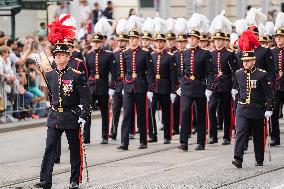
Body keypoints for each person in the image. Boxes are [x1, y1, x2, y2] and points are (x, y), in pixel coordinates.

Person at [34, 16, 91, 189]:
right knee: (49, 148)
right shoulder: (50, 74)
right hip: (54, 116)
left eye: (61, 55)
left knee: (74, 150)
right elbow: (51, 94)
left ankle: (74, 180)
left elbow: (86, 96)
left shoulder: (76, 74)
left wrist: (84, 114)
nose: (58, 58)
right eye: (56, 55)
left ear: (68, 57)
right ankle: (45, 180)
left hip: (71, 115)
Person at [231, 29, 273, 168]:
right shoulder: (238, 74)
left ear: (254, 61)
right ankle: (238, 158)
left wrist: (269, 107)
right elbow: (236, 86)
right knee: (241, 132)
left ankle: (259, 159)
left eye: (248, 61)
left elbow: (268, 93)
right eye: (244, 61)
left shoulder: (261, 75)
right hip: (242, 108)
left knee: (258, 136)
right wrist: (234, 92)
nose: (245, 63)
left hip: (257, 109)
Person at [117, 15, 154, 151]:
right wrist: (122, 86)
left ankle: (143, 140)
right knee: (126, 114)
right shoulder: (125, 53)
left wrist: (150, 88)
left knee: (141, 114)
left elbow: (150, 73)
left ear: (138, 39)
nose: (132, 40)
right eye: (130, 38)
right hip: (128, 86)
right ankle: (124, 142)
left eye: (134, 38)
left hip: (140, 85)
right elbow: (124, 71)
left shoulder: (145, 54)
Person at [178, 13, 214, 151]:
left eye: (194, 38)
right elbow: (182, 72)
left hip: (200, 86)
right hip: (187, 86)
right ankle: (183, 141)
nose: (191, 40)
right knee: (185, 111)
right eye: (190, 38)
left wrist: (209, 87)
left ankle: (200, 142)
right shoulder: (184, 53)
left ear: (198, 40)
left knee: (201, 114)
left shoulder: (205, 53)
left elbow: (210, 72)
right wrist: (180, 85)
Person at [85, 18, 117, 145]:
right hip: (91, 85)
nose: (96, 44)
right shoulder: (88, 55)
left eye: (98, 42)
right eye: (95, 42)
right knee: (87, 112)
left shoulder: (109, 55)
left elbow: (113, 73)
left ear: (102, 42)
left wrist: (111, 87)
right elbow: (86, 73)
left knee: (104, 112)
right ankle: (86, 136)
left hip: (103, 85)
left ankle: (105, 136)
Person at [208, 15, 238, 145]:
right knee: (211, 108)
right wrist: (208, 86)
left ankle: (226, 136)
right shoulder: (211, 54)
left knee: (226, 111)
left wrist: (234, 86)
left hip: (226, 86)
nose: (218, 42)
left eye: (220, 40)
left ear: (224, 40)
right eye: (216, 40)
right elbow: (209, 72)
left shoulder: (229, 54)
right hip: (214, 86)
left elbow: (234, 72)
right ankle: (213, 136)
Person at [147, 20, 178, 144]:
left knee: (166, 113)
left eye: (161, 41)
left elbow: (173, 75)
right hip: (154, 87)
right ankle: (152, 134)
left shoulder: (170, 56)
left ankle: (167, 135)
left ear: (164, 43)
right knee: (151, 111)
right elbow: (149, 74)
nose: (159, 43)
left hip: (165, 87)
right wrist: (149, 88)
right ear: (154, 42)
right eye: (157, 41)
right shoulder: (151, 55)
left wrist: (173, 91)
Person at [270, 12, 284, 146]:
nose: (279, 39)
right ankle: (275, 137)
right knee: (273, 113)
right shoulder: (271, 51)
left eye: (281, 37)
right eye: (277, 37)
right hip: (275, 86)